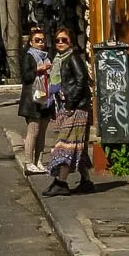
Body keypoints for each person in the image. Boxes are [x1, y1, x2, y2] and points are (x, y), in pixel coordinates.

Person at [44, 26, 95, 196]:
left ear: (70, 41)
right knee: (76, 144)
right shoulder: (59, 60)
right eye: (57, 40)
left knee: (65, 144)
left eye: (64, 40)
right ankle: (86, 181)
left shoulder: (73, 58)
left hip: (76, 107)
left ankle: (61, 182)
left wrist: (71, 104)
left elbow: (81, 81)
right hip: (67, 106)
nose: (60, 43)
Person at [18, 28, 53, 173]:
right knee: (33, 130)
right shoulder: (29, 56)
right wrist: (38, 70)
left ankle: (38, 161)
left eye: (42, 40)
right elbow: (25, 77)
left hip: (45, 97)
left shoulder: (46, 56)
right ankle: (28, 162)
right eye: (37, 40)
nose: (40, 43)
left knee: (43, 131)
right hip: (32, 99)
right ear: (31, 42)